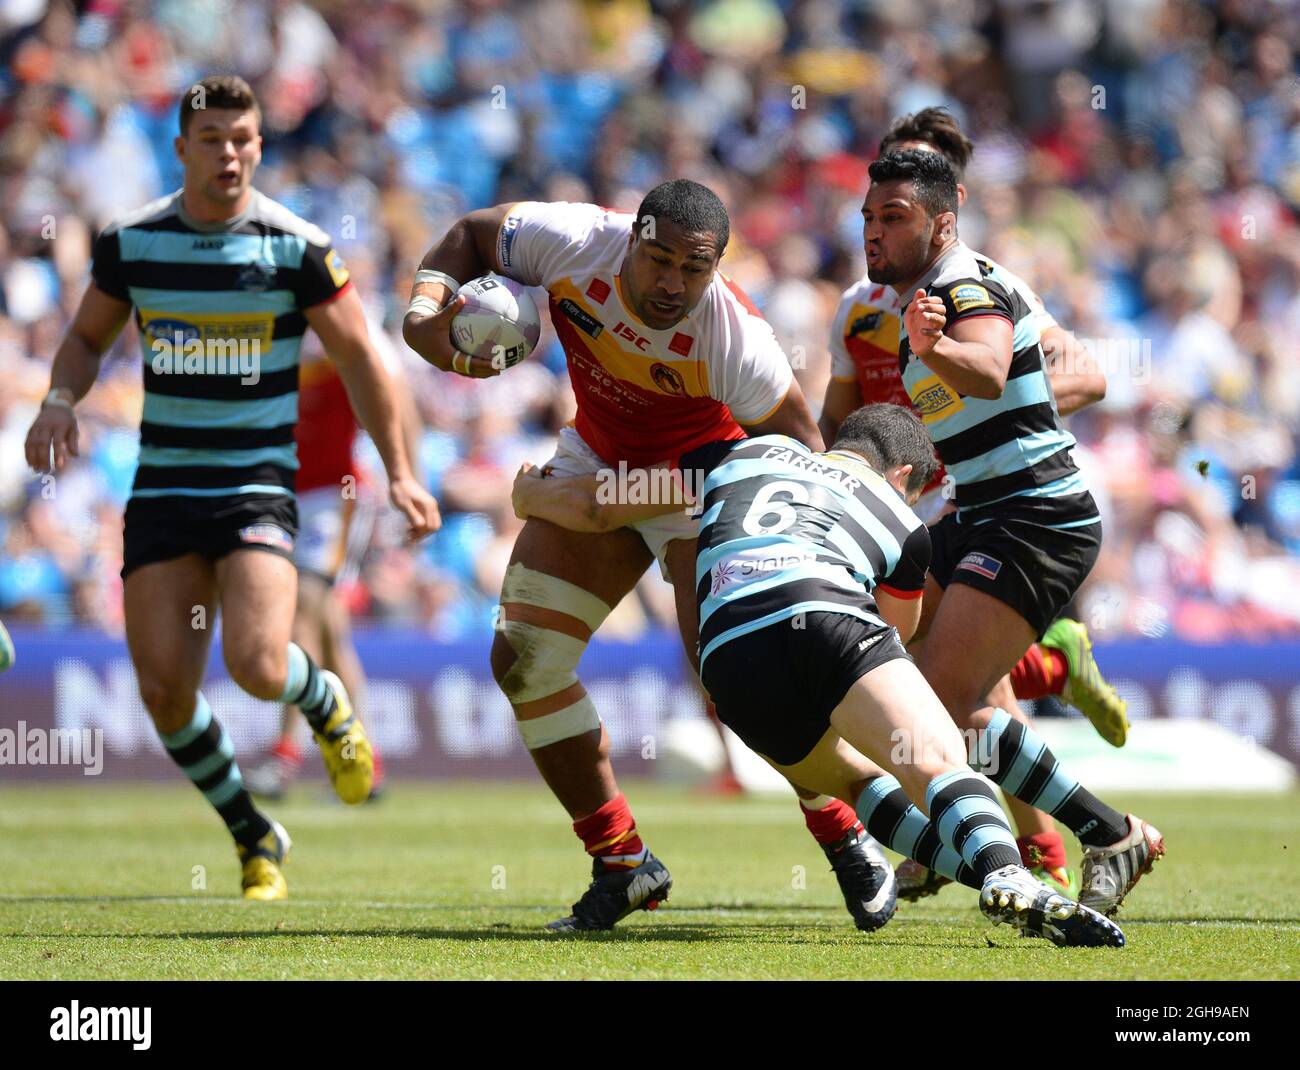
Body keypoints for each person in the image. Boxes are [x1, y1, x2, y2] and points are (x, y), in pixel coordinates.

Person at [404, 181, 897, 932]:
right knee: (524, 658)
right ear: (629, 238)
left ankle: (842, 831)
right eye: (657, 259)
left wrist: (621, 496)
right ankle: (623, 863)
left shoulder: (736, 337)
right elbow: (471, 233)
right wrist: (422, 316)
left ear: (716, 267)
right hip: (601, 454)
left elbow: (794, 455)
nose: (670, 283)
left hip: (715, 483)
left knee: (734, 686)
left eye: (691, 270)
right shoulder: (570, 241)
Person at [23, 75, 440, 899]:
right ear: (181, 149)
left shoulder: (297, 248)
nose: (231, 153)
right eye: (213, 139)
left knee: (255, 663)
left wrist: (400, 472)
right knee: (165, 690)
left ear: (260, 146)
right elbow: (83, 339)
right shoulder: (132, 241)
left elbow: (364, 360)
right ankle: (255, 834)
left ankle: (321, 704)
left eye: (244, 138)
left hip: (255, 486)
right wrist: (59, 401)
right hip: (165, 490)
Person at [511, 403, 1125, 948]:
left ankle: (990, 879)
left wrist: (534, 497)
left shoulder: (741, 453)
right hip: (824, 614)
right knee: (937, 759)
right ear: (904, 476)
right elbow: (892, 632)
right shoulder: (903, 520)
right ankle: (1007, 871)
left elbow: (612, 499)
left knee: (859, 786)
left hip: (727, 659)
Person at [824, 109, 1129, 895]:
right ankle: (971, 837)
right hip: (975, 511)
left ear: (945, 216)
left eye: (893, 218)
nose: (873, 233)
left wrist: (945, 355)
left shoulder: (963, 284)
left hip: (1032, 514)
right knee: (906, 685)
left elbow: (994, 368)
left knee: (939, 709)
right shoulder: (890, 305)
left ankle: (1106, 836)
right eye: (868, 218)